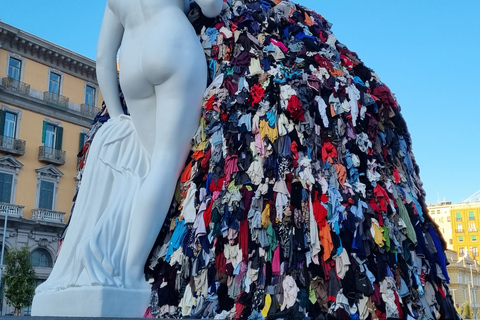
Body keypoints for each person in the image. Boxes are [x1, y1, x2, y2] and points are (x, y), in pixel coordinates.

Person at [31, 0, 223, 316]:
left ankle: (113, 261)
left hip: (131, 62)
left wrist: (119, 117)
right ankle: (130, 273)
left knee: (150, 165)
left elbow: (105, 58)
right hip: (172, 41)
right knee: (164, 164)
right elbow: (213, 7)